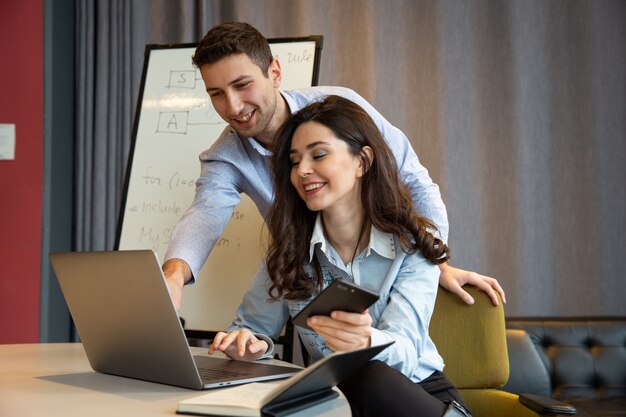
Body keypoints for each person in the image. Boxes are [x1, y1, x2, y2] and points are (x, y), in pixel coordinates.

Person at [162, 21, 505, 311]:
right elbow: (204, 215)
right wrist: (173, 276)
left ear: (275, 72)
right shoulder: (226, 155)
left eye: (242, 85)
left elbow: (413, 179)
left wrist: (433, 263)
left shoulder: (341, 107)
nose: (233, 106)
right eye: (216, 94)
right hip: (316, 298)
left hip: (392, 276)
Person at [210, 95, 471, 417]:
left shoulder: (413, 246)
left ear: (362, 161)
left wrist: (365, 340)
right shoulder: (290, 250)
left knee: (368, 376)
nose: (303, 170)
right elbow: (252, 327)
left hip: (413, 396)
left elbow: (406, 351)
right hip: (339, 401)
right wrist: (249, 344)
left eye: (318, 154)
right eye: (294, 161)